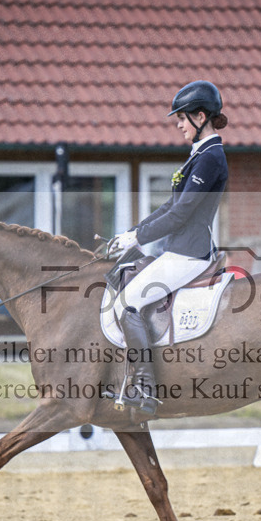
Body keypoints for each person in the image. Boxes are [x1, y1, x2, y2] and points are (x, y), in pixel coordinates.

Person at [108, 80, 228, 414]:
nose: (177, 125)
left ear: (200, 117)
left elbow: (181, 213)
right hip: (179, 247)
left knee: (127, 303)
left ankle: (145, 389)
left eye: (182, 118)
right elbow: (168, 207)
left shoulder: (210, 157)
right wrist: (132, 233)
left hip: (189, 251)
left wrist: (139, 238)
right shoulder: (198, 156)